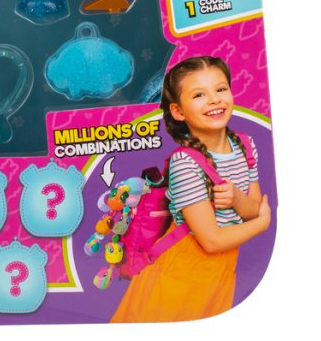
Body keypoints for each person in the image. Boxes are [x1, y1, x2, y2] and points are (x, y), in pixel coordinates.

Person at [111, 55, 271, 322]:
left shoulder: (246, 145)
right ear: (178, 111)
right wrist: (262, 223)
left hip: (219, 277)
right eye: (199, 94)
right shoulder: (185, 163)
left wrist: (236, 199)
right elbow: (212, 240)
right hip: (175, 279)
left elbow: (252, 210)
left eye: (221, 89)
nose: (214, 99)